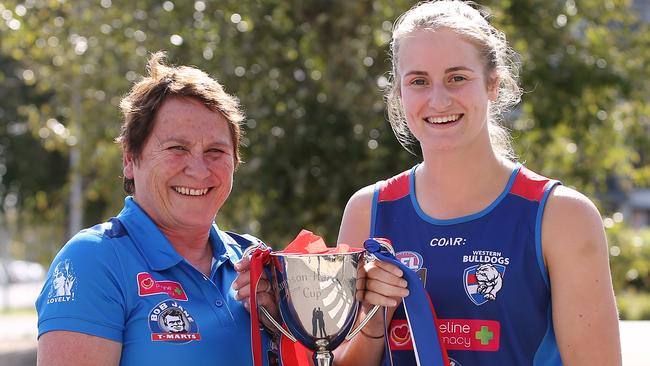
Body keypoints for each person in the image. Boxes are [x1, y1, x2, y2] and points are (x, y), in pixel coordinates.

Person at [334, 1, 621, 365]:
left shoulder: (562, 216)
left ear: (493, 85)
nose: (438, 99)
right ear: (399, 93)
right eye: (419, 81)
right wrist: (373, 320)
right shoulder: (368, 211)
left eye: (457, 77)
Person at [35, 52, 276, 365]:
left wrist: (282, 324)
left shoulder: (254, 259)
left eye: (216, 151)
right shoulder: (93, 260)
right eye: (178, 148)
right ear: (129, 159)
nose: (200, 171)